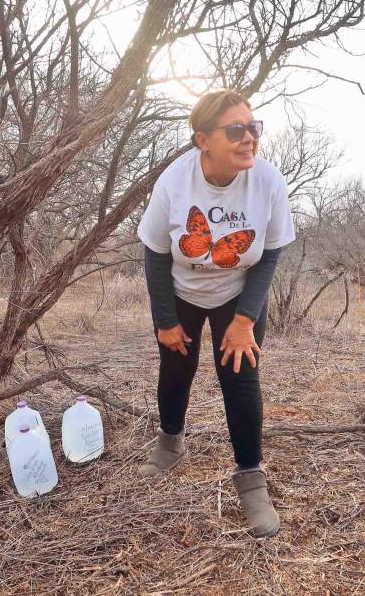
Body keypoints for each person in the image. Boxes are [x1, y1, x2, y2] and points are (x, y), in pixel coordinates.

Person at [135, 89, 296, 538]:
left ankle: (250, 479)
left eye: (253, 127)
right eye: (235, 130)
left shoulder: (268, 182)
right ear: (203, 139)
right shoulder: (174, 181)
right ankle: (170, 444)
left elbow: (269, 255)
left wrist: (245, 320)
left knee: (240, 378)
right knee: (176, 367)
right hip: (182, 289)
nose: (249, 138)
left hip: (237, 292)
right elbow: (154, 253)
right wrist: (165, 321)